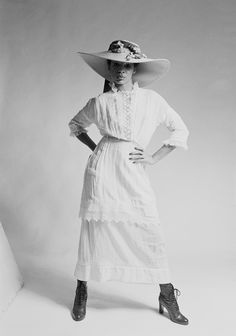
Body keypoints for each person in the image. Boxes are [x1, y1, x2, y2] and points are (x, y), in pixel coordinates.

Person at [68, 40, 190, 325]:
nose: (120, 70)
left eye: (126, 65)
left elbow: (179, 128)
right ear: (107, 69)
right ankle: (82, 288)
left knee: (148, 228)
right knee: (93, 230)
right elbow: (75, 125)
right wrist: (98, 148)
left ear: (134, 68)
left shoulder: (152, 100)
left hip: (132, 170)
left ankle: (167, 294)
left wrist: (154, 158)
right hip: (102, 170)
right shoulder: (99, 102)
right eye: (114, 64)